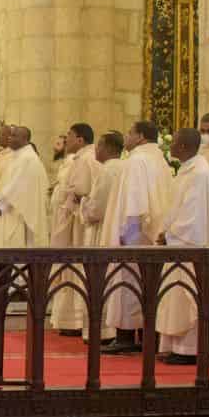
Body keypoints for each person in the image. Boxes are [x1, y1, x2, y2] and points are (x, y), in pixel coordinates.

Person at [98, 121, 173, 354]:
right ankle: (145, 335)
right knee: (146, 285)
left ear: (140, 136)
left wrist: (126, 234)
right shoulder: (160, 160)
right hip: (152, 233)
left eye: (129, 133)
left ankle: (126, 336)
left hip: (134, 235)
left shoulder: (136, 161)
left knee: (127, 283)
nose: (126, 138)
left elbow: (135, 202)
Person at [157, 127, 209, 365]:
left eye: (175, 142)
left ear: (185, 147)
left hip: (190, 244)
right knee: (176, 295)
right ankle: (176, 347)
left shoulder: (199, 173)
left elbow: (193, 216)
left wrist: (171, 235)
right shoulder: (189, 170)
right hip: (179, 242)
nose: (171, 147)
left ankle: (190, 350)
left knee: (188, 295)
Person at [48, 125, 101, 335]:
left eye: (68, 136)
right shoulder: (79, 159)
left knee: (73, 270)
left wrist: (69, 197)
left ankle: (75, 321)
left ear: (80, 139)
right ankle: (68, 319)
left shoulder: (86, 159)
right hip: (70, 221)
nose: (65, 140)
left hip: (76, 225)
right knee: (68, 270)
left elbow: (82, 192)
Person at [76, 132, 126, 342]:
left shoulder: (107, 171)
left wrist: (83, 203)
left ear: (107, 148)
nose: (95, 150)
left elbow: (96, 209)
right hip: (117, 229)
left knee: (100, 280)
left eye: (98, 146)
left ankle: (102, 332)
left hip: (102, 231)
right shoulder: (125, 167)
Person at [0, 125, 49, 248]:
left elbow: (15, 187)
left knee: (13, 249)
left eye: (14, 135)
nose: (9, 138)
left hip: (16, 213)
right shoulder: (19, 156)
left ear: (25, 139)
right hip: (9, 210)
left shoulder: (27, 159)